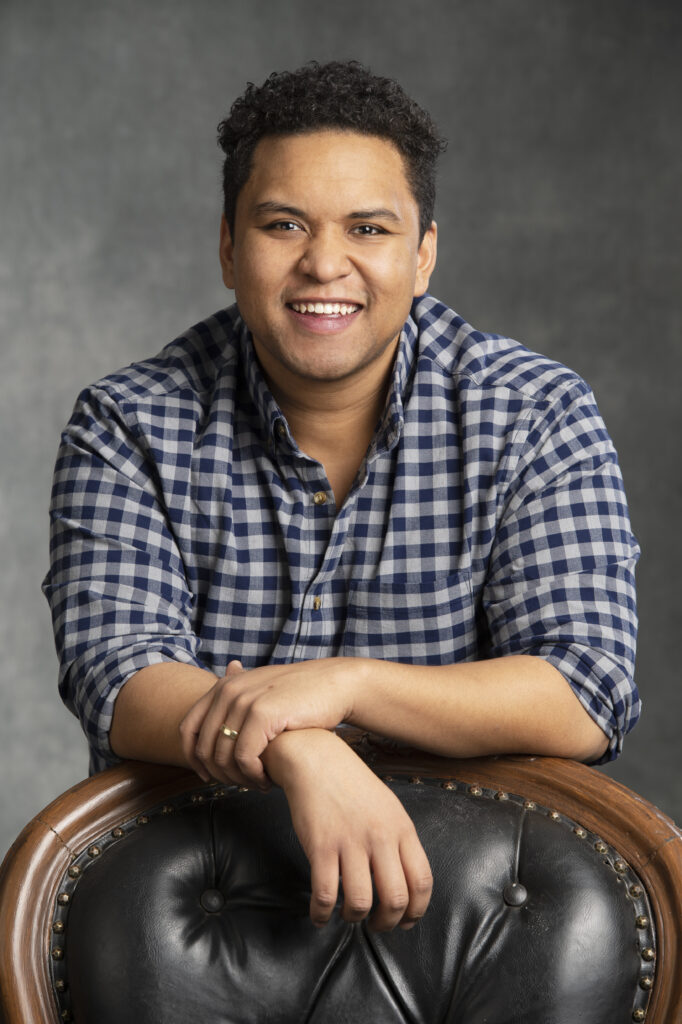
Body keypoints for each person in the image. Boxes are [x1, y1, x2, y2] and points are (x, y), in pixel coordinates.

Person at [43, 61, 640, 934]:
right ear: (227, 246)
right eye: (284, 224)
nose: (325, 264)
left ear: (423, 253)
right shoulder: (128, 421)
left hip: (477, 921)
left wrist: (344, 687)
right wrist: (300, 746)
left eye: (368, 226)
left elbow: (585, 688)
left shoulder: (534, 411)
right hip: (188, 920)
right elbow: (119, 673)